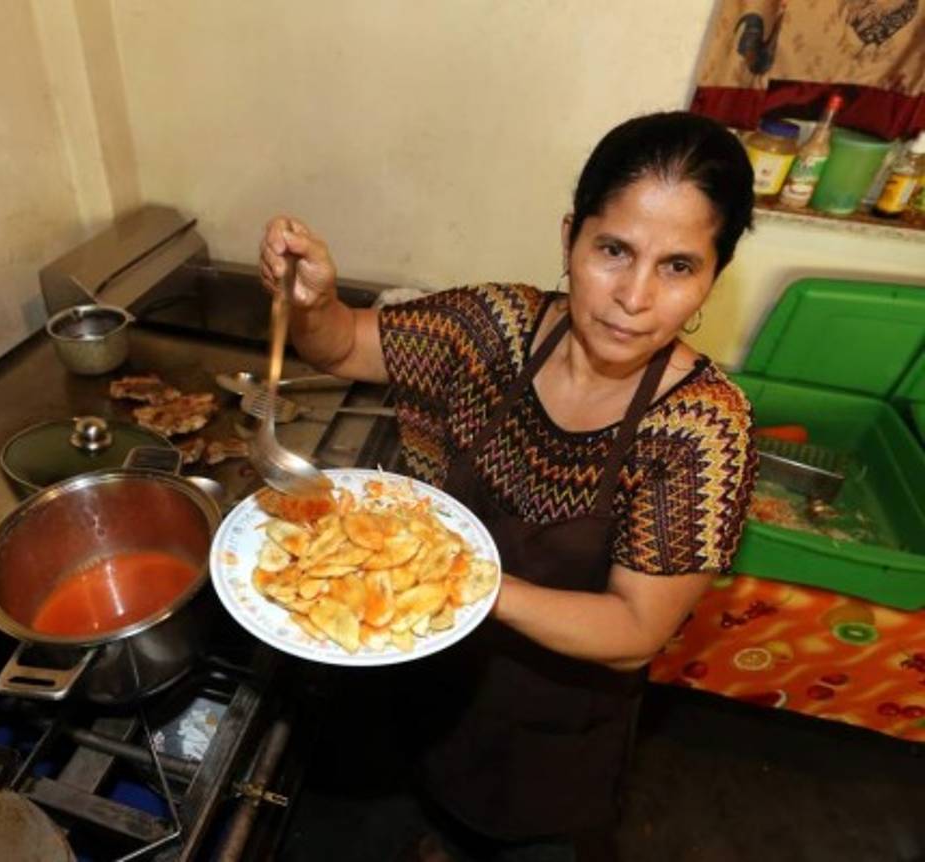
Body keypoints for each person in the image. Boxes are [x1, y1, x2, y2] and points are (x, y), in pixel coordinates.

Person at [258, 111, 758, 861]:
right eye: (613, 250)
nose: (634, 296)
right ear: (570, 238)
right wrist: (312, 302)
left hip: (550, 736)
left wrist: (464, 584)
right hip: (427, 683)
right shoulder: (492, 328)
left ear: (712, 275)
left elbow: (634, 632)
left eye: (678, 266)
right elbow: (341, 346)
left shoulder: (701, 430)